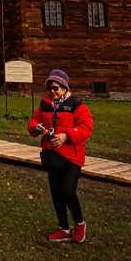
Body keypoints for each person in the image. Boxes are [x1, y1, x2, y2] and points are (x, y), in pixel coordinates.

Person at [28, 69, 93, 244]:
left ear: (64, 88)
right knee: (56, 193)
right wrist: (36, 127)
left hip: (72, 156)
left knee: (67, 192)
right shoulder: (45, 104)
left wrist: (67, 135)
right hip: (53, 155)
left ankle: (79, 224)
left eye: (56, 88)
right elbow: (33, 121)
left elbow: (87, 127)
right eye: (50, 88)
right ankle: (63, 228)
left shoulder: (76, 105)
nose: (52, 91)